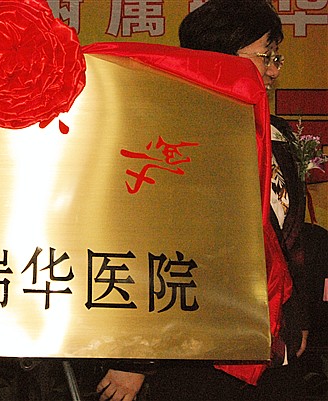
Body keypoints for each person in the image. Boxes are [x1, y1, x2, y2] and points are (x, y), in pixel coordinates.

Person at [96, 1, 308, 400]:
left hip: (270, 345)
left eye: (276, 57)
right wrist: (136, 360)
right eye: (265, 56)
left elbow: (289, 243)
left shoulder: (275, 133)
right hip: (194, 353)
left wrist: (297, 317)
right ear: (221, 58)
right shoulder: (177, 136)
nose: (274, 70)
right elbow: (149, 248)